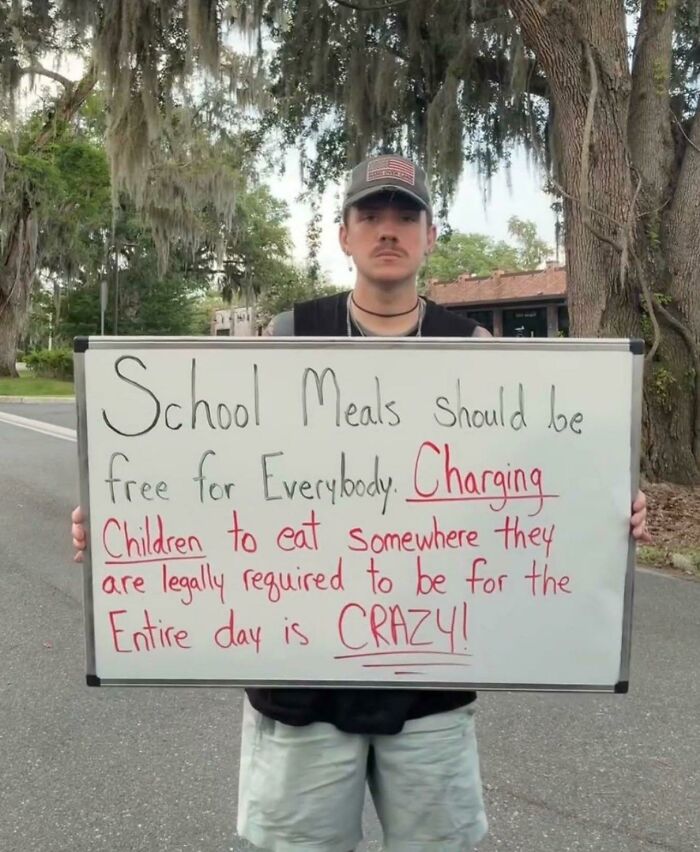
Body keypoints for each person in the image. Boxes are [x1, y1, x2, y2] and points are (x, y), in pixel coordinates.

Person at [71, 154, 651, 852]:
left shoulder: (476, 351)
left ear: (430, 235)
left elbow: (532, 485)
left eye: (405, 216)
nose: (388, 230)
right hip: (300, 684)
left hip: (433, 683)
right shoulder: (288, 336)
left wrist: (603, 507)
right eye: (370, 215)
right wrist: (122, 516)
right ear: (344, 235)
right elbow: (219, 477)